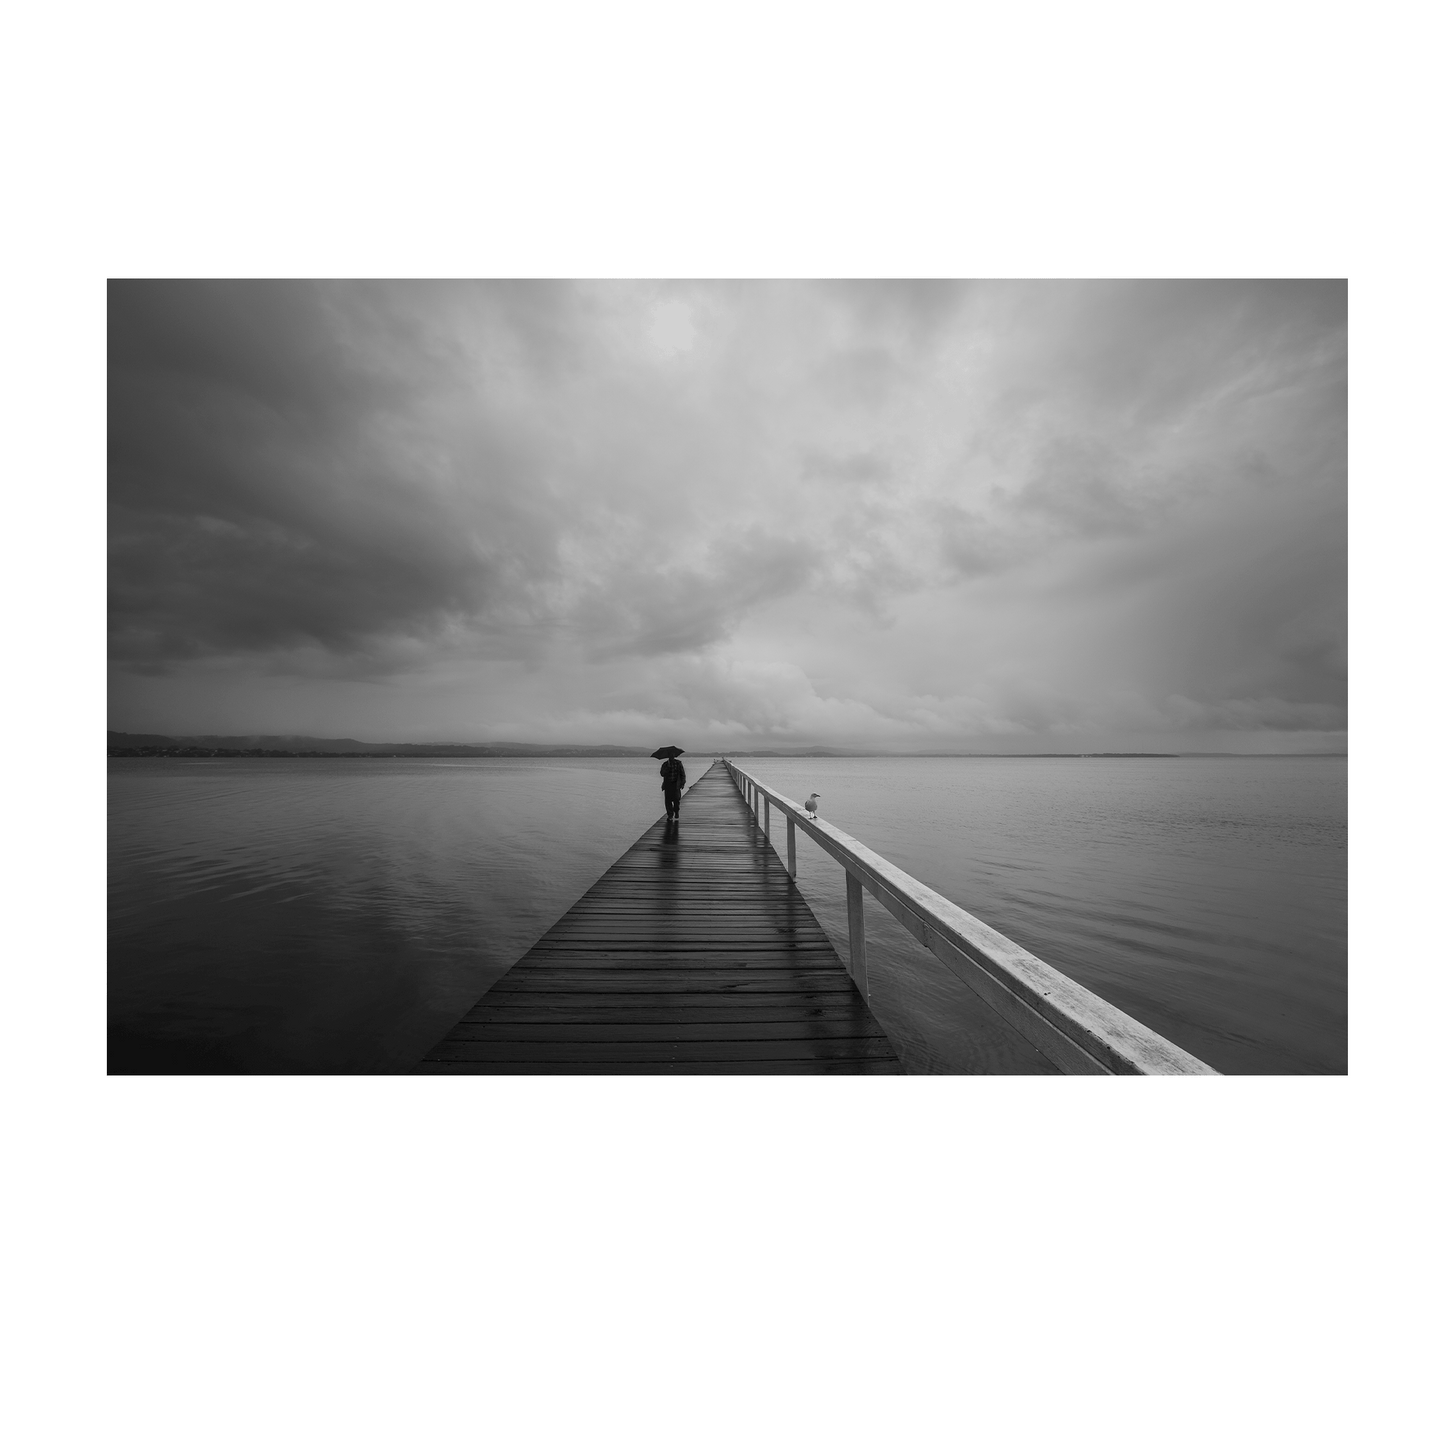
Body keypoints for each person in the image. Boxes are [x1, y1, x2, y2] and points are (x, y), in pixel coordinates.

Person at [660, 753, 686, 820]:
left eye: (672, 755)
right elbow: (662, 774)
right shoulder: (665, 764)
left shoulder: (678, 763)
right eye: (670, 756)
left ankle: (676, 811)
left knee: (676, 799)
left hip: (676, 784)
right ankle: (670, 815)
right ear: (668, 756)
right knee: (668, 801)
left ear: (674, 756)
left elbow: (682, 773)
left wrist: (682, 783)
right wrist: (667, 769)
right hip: (668, 784)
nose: (671, 757)